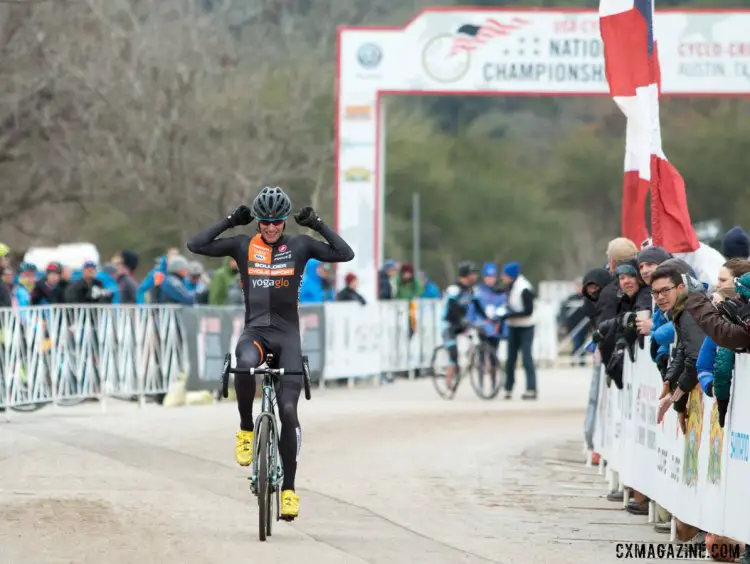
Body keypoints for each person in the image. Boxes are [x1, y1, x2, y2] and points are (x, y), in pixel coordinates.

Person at [186, 186, 354, 520]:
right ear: (258, 222)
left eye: (277, 222)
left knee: (288, 413)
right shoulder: (243, 245)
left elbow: (344, 254)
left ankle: (289, 490)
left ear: (284, 223)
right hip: (256, 332)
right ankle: (247, 428)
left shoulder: (300, 245)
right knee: (244, 365)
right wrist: (231, 220)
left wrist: (317, 224)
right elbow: (197, 245)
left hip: (288, 337)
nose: (272, 228)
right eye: (266, 223)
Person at [500, 261, 537, 400]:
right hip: (513, 326)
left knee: (526, 357)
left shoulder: (524, 288)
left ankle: (531, 388)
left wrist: (509, 315)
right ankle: (508, 387)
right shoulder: (509, 287)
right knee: (510, 358)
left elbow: (528, 311)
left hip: (526, 326)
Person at [441, 261, 481, 390]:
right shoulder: (454, 289)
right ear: (465, 275)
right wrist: (461, 319)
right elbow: (452, 307)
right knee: (453, 353)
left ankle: (473, 360)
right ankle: (449, 379)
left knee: (478, 337)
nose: (475, 276)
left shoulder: (471, 289)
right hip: (448, 324)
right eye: (472, 274)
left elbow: (478, 306)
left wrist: (488, 319)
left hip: (461, 323)